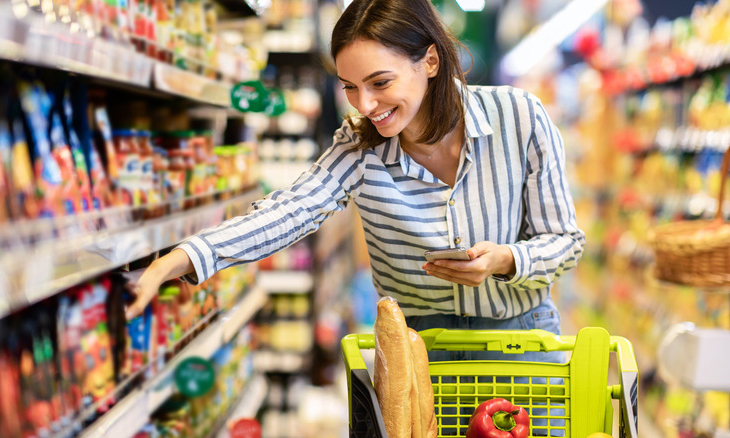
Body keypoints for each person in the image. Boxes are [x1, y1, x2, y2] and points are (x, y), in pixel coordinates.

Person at [126, 0, 584, 367]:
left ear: (429, 61)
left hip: (519, 345)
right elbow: (292, 210)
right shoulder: (360, 145)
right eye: (349, 86)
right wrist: (180, 259)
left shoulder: (519, 117)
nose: (364, 104)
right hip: (414, 357)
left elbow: (565, 241)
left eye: (379, 82)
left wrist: (507, 259)